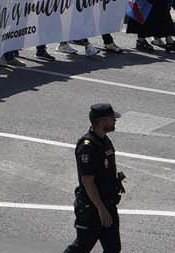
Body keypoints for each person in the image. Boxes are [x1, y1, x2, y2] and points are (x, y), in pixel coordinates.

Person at [63, 103, 125, 253]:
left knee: (113, 249)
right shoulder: (87, 146)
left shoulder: (104, 140)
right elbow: (87, 181)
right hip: (92, 209)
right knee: (82, 247)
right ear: (102, 122)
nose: (115, 121)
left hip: (108, 204)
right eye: (112, 119)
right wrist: (101, 210)